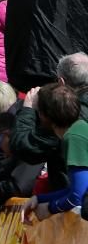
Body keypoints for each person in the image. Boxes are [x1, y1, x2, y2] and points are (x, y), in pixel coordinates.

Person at [24, 83, 88, 220]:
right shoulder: (78, 128)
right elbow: (78, 190)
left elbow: (78, 195)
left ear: (42, 115)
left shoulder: (73, 138)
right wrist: (40, 198)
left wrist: (50, 208)